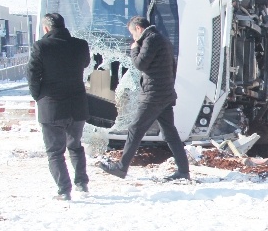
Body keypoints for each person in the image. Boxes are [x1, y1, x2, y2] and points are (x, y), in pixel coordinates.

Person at [98, 16, 190, 181]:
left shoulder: (151, 40)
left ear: (139, 29)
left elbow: (141, 64)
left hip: (153, 95)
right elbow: (172, 68)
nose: (133, 38)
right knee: (170, 133)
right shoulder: (163, 40)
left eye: (133, 33)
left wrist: (134, 49)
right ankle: (183, 170)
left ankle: (121, 167)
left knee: (135, 129)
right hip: (164, 93)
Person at [27, 13, 91, 201]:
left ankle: (64, 190)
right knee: (75, 146)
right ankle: (82, 183)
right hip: (78, 106)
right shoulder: (80, 45)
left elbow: (32, 76)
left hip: (52, 107)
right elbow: (85, 63)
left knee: (55, 152)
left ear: (46, 28)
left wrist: (38, 96)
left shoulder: (41, 46)